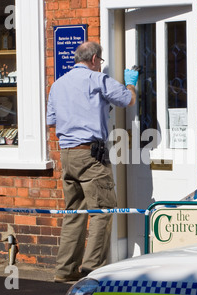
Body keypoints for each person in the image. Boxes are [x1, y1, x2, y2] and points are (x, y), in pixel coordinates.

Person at [47, 41, 138, 282]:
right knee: (102, 210)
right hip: (91, 155)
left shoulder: (57, 85)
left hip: (66, 153)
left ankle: (65, 270)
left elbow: (52, 120)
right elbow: (128, 99)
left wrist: (90, 111)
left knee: (74, 213)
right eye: (101, 62)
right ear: (95, 59)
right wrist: (131, 82)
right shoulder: (97, 79)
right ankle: (92, 270)